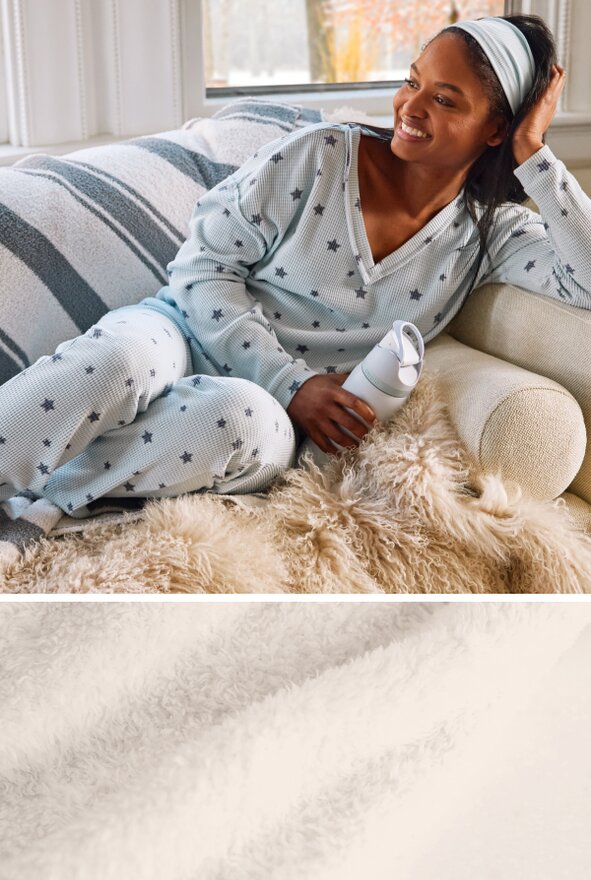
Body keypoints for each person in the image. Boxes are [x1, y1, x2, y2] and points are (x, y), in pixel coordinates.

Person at [1, 14, 589, 519]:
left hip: (270, 416)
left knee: (241, 423)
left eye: (444, 99)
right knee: (118, 359)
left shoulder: (490, 234)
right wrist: (293, 380)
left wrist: (535, 151)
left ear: (494, 128)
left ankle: (42, 505)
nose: (411, 106)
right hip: (181, 331)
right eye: (413, 82)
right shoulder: (321, 155)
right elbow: (202, 270)